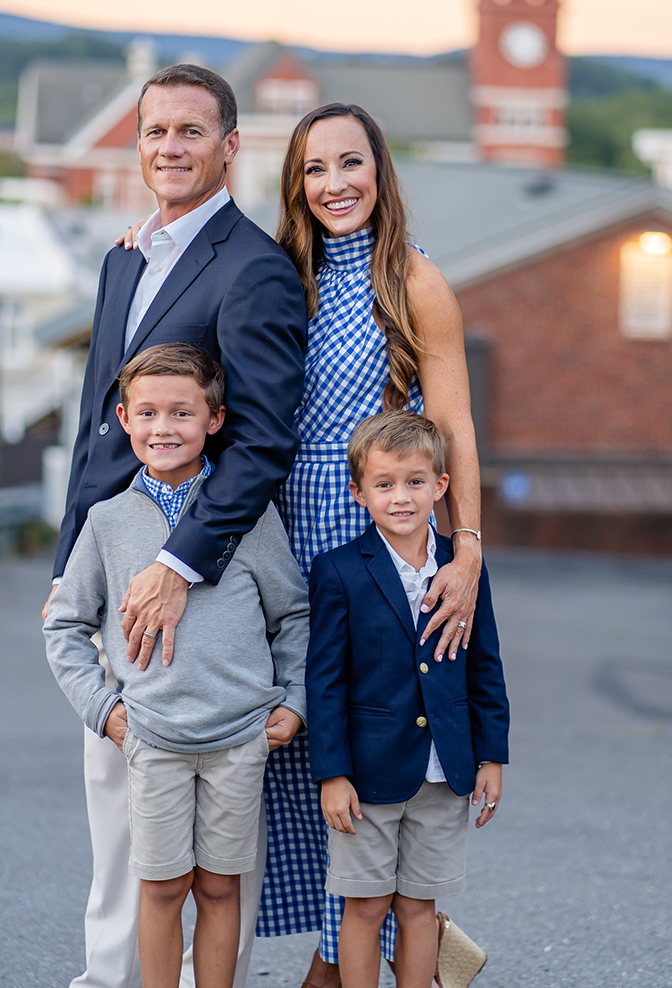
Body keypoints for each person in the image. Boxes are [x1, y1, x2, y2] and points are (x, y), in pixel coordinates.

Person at [117, 102, 486, 987]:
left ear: (379, 171)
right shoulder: (283, 270)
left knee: (369, 739)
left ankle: (353, 958)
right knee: (298, 744)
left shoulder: (415, 278)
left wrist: (464, 545)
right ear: (295, 184)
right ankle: (380, 941)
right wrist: (151, 248)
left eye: (350, 164)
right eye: (315, 170)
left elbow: (455, 425)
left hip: (373, 529)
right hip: (283, 527)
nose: (334, 186)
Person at [43, 64, 308, 988]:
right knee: (116, 807)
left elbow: (263, 440)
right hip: (107, 560)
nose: (170, 148)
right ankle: (107, 979)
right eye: (156, 132)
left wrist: (177, 561)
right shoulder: (124, 258)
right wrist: (67, 561)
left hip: (198, 576)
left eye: (191, 132)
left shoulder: (256, 269)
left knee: (214, 852)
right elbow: (96, 426)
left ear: (229, 145)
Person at [45, 344, 309, 988]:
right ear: (125, 419)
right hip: (151, 738)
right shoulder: (106, 523)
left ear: (213, 421)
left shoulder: (244, 515)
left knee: (220, 888)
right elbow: (65, 626)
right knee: (161, 889)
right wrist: (105, 711)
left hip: (239, 739)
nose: (164, 428)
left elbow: (294, 615)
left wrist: (295, 699)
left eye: (182, 413)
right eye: (149, 413)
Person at [306, 411, 509, 988]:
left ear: (441, 487)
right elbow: (325, 682)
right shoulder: (338, 571)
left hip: (446, 770)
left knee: (420, 908)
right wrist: (333, 773)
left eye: (416, 482)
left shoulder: (464, 570)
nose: (401, 497)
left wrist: (492, 756)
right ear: (359, 491)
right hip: (368, 775)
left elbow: (485, 666)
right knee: (365, 907)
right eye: (385, 484)